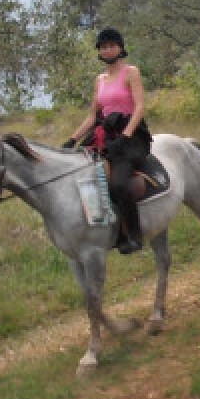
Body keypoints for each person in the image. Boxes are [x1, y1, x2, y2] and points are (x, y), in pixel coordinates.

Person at [63, 28, 152, 254]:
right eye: (103, 47)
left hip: (130, 135)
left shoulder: (131, 72)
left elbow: (140, 107)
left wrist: (125, 136)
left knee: (119, 183)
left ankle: (134, 234)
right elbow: (93, 116)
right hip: (105, 134)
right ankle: (105, 232)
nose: (107, 49)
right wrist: (72, 139)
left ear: (120, 48)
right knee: (84, 177)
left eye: (111, 45)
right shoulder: (99, 79)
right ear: (99, 51)